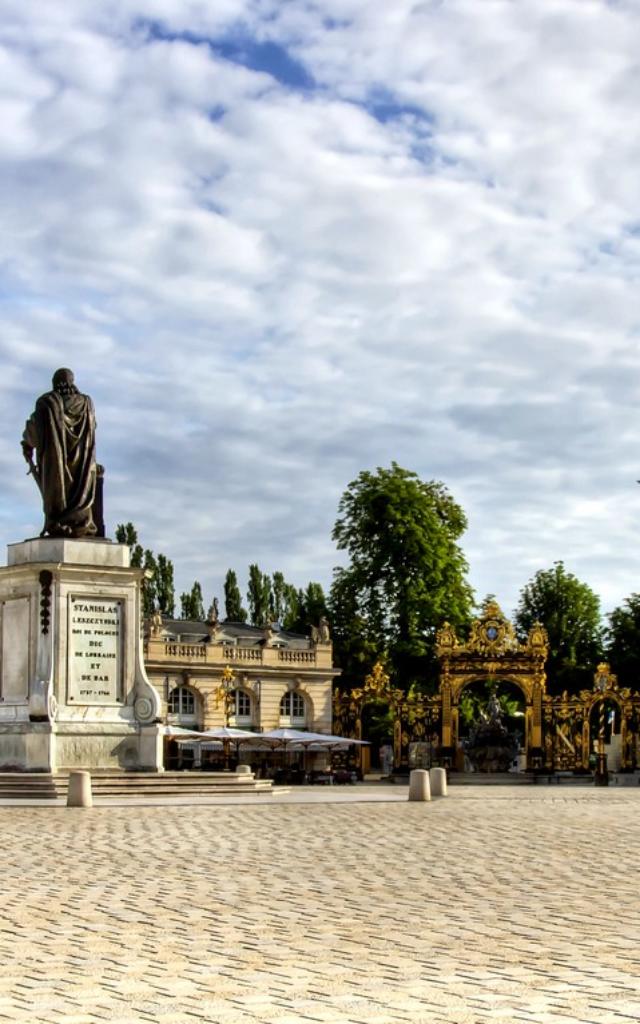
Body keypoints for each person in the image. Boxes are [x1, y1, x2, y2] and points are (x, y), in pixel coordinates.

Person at [22, 368, 98, 538]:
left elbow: (34, 430)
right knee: (80, 489)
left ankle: (58, 520)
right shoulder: (86, 404)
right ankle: (80, 521)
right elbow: (94, 428)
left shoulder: (47, 403)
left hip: (56, 468)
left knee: (58, 490)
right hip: (82, 468)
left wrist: (27, 444)